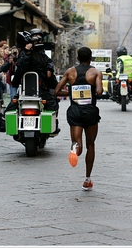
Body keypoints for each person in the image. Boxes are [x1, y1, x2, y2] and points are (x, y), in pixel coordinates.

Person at [54, 47, 103, 190]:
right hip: (90, 111)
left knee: (77, 143)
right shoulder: (96, 72)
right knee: (91, 144)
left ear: (77, 59)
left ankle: (74, 149)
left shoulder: (70, 72)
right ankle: (87, 179)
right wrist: (91, 90)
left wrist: (71, 92)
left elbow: (57, 91)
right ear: (91, 59)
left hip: (75, 110)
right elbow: (99, 92)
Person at [13, 28, 60, 134]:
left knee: (53, 103)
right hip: (26, 88)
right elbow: (21, 66)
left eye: (39, 38)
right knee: (12, 105)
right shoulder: (24, 52)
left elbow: (49, 61)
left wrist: (49, 68)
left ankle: (53, 125)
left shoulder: (41, 52)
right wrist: (28, 51)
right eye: (35, 38)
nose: (37, 40)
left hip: (42, 87)